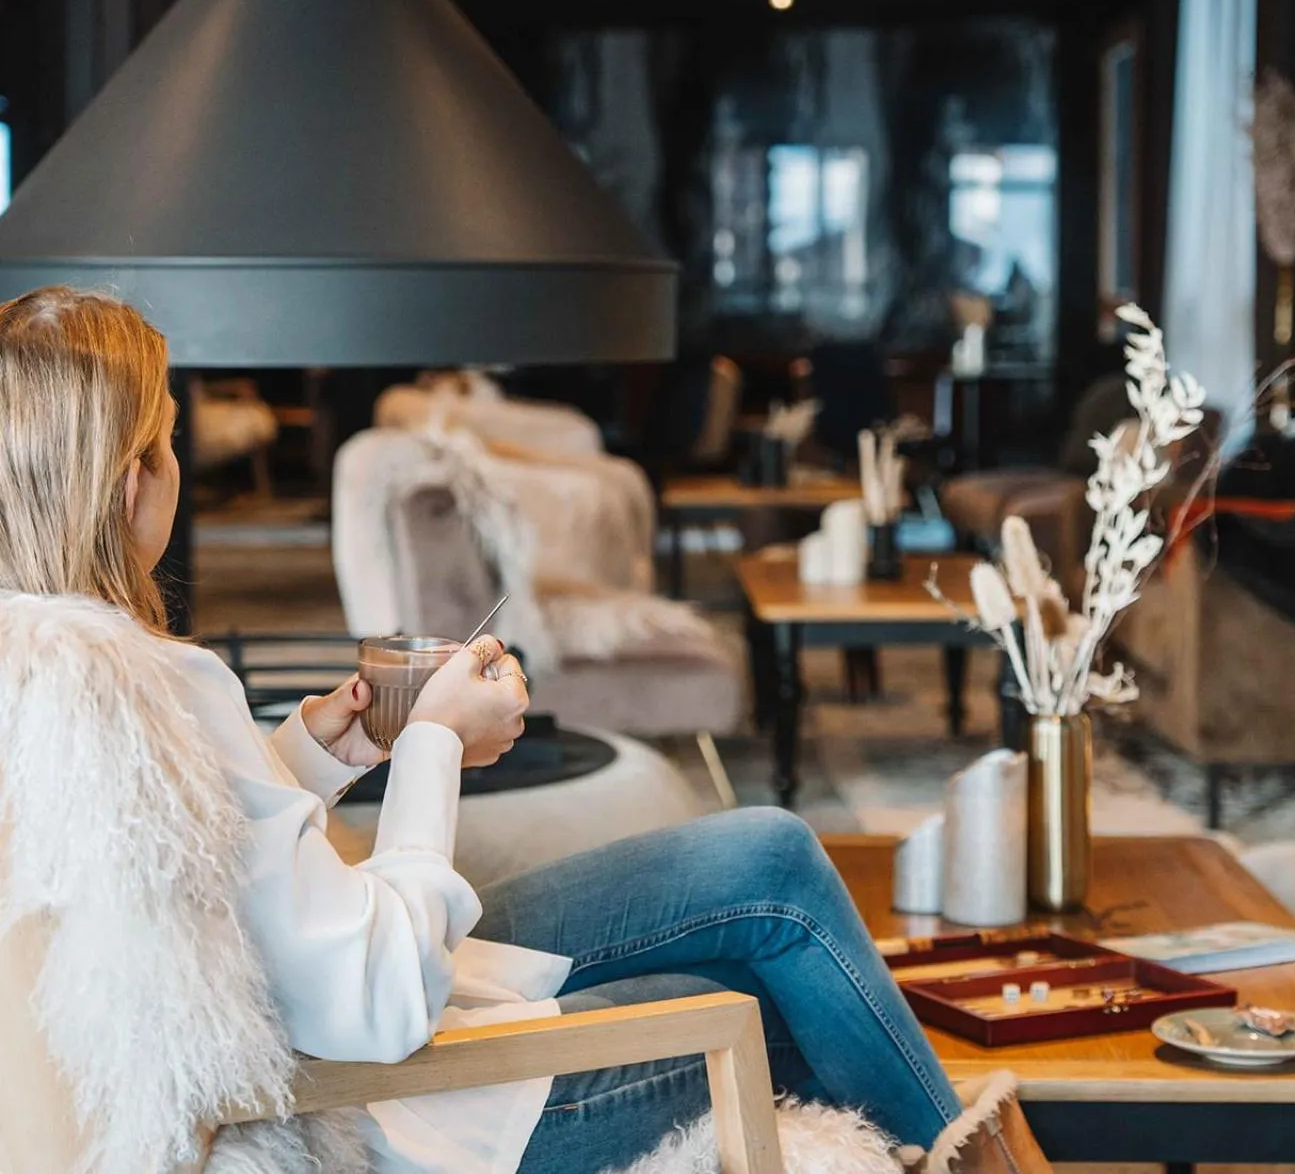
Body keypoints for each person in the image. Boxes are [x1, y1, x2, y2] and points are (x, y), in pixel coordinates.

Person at [0, 286, 1049, 1174]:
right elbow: (377, 1002)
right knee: (777, 1002)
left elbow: (185, 858)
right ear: (132, 477)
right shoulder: (160, 680)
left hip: (326, 1019)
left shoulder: (52, 673)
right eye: (171, 442)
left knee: (769, 857)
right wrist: (433, 747)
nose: (178, 469)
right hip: (383, 1109)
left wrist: (328, 751)